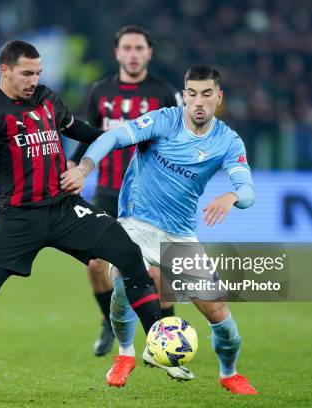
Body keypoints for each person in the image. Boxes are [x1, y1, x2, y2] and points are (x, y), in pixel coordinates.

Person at [0, 40, 163, 394]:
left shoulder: (47, 98)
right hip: (18, 218)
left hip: (64, 207)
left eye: (38, 73)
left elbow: (77, 128)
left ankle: (160, 346)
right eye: (27, 73)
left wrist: (121, 139)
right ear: (4, 70)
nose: (34, 80)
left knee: (129, 254)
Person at [61, 65, 258, 394]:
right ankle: (125, 354)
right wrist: (84, 168)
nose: (198, 101)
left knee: (220, 316)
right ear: (185, 94)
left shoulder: (227, 141)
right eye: (192, 93)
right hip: (136, 224)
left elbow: (248, 190)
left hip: (179, 235)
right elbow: (113, 136)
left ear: (218, 97)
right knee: (123, 283)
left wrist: (232, 194)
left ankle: (229, 373)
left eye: (206, 94)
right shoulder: (164, 120)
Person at [69, 25, 181, 358]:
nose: (133, 54)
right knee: (94, 266)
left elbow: (180, 141)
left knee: (158, 270)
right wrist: (75, 168)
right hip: (107, 193)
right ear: (117, 53)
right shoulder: (100, 91)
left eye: (139, 48)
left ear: (149, 52)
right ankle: (109, 321)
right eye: (127, 48)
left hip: (152, 196)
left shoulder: (165, 94)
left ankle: (166, 334)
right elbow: (90, 137)